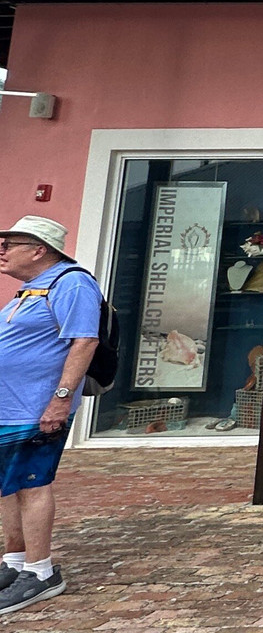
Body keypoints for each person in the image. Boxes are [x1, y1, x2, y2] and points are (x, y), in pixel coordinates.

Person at [0, 216, 101, 614]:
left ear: (39, 249)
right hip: (10, 405)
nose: (3, 250)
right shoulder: (30, 289)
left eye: (11, 243)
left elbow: (84, 340)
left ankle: (41, 572)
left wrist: (60, 399)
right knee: (9, 484)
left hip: (36, 407)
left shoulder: (71, 283)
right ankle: (14, 561)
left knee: (31, 482)